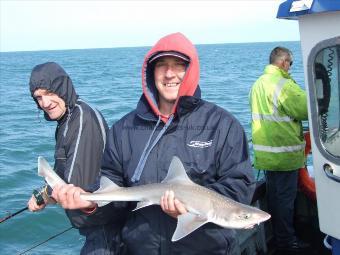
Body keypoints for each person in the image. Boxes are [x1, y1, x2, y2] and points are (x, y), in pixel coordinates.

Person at [52, 33, 255, 254]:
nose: (169, 73)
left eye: (179, 65)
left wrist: (191, 206)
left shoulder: (223, 125)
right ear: (151, 72)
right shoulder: (124, 129)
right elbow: (115, 201)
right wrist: (90, 205)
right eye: (162, 65)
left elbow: (240, 186)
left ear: (191, 71)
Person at [27, 62, 123, 255]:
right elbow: (62, 172)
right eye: (39, 97)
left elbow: (75, 187)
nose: (45, 103)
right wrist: (45, 193)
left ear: (62, 87)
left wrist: (44, 195)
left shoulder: (82, 119)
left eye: (50, 92)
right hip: (94, 228)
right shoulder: (66, 121)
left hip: (105, 231)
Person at [249, 47, 309, 254]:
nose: (291, 68)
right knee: (285, 202)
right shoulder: (283, 85)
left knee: (275, 200)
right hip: (284, 155)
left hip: (266, 156)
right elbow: (306, 109)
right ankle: (287, 243)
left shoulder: (258, 84)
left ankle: (282, 238)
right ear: (283, 62)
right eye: (290, 63)